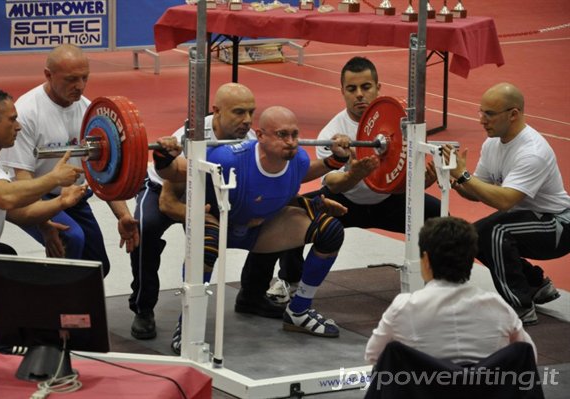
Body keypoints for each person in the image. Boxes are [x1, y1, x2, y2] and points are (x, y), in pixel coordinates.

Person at [242, 56, 441, 308]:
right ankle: (286, 283)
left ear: (378, 88)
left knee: (443, 224)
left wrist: (420, 184)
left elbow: (400, 180)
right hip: (345, 202)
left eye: (366, 87)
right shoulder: (333, 131)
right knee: (286, 217)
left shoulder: (401, 126)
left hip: (390, 201)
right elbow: (334, 184)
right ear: (342, 92)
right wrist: (354, 174)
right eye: (352, 89)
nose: (359, 95)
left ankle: (442, 287)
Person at [157, 106, 353, 354]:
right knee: (206, 242)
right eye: (282, 135)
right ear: (260, 136)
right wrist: (165, 157)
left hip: (262, 229)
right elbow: (174, 171)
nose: (291, 142)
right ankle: (187, 326)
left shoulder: (299, 159)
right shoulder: (229, 158)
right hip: (219, 223)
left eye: (295, 134)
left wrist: (335, 161)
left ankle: (299, 310)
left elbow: (299, 175)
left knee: (330, 231)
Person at [128, 82, 258, 340]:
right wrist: (202, 216)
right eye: (239, 112)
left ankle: (253, 296)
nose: (248, 120)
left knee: (266, 221)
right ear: (216, 112)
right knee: (145, 229)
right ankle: (143, 308)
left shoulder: (249, 139)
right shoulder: (191, 139)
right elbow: (168, 202)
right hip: (164, 189)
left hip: (207, 190)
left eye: (251, 112)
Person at [0, 44, 139, 276]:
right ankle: (57, 308)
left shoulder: (89, 111)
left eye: (85, 78)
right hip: (32, 195)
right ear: (48, 75)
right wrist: (42, 221)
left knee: (97, 267)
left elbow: (104, 173)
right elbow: (21, 180)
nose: (80, 86)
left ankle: (71, 303)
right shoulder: (26, 113)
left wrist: (123, 215)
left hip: (72, 196)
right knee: (72, 239)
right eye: (71, 79)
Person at [444, 82, 570, 325]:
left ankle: (520, 306)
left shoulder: (532, 151)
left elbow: (504, 200)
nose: (482, 120)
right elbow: (480, 191)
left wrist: (465, 177)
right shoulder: (493, 143)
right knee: (474, 235)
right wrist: (458, 181)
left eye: (489, 114)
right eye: (481, 112)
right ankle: (534, 284)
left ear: (513, 114)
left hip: (559, 225)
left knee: (497, 233)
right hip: (530, 220)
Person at [0, 88, 86, 347]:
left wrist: (60, 202)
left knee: (4, 255)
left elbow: (17, 212)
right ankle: (12, 348)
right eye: (12, 119)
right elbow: (7, 197)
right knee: (8, 276)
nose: (19, 126)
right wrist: (53, 179)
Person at [364, 216, 536, 365]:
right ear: (470, 260)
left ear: (426, 260)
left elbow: (373, 356)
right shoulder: (499, 307)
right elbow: (529, 356)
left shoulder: (404, 306)